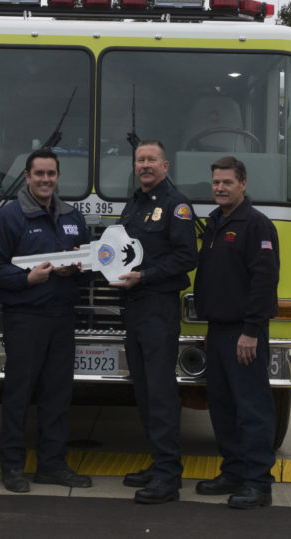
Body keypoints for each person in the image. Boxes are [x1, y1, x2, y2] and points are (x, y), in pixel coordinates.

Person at [0, 149, 93, 493]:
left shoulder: (72, 217)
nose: (46, 180)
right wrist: (25, 280)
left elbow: (90, 268)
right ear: (27, 177)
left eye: (51, 174)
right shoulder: (9, 218)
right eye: (39, 174)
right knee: (18, 395)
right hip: (25, 318)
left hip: (62, 318)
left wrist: (81, 265)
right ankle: (13, 467)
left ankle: (52, 465)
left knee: (58, 396)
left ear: (58, 177)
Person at [111, 140, 198, 504]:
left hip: (159, 308)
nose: (145, 165)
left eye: (152, 160)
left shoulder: (175, 206)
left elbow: (186, 257)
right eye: (140, 160)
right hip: (135, 308)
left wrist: (145, 277)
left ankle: (168, 475)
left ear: (165, 166)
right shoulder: (136, 204)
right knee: (144, 390)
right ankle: (157, 461)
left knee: (161, 392)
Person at [193, 156, 279, 509]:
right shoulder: (215, 222)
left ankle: (258, 484)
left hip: (243, 334)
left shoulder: (256, 225)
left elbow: (264, 280)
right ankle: (233, 472)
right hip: (217, 331)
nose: (220, 188)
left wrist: (251, 331)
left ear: (243, 184)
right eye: (215, 182)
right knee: (223, 407)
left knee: (252, 409)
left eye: (227, 182)